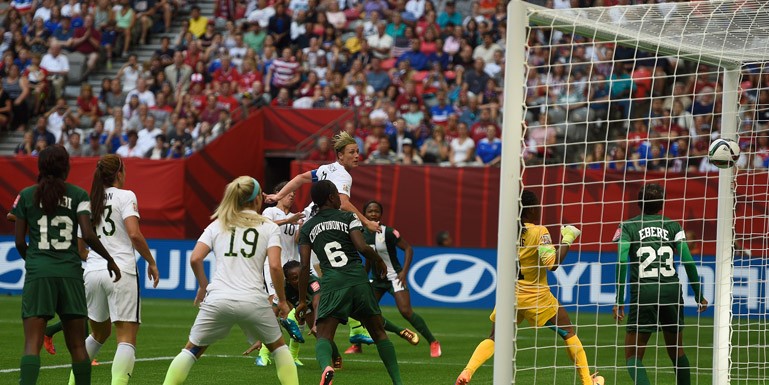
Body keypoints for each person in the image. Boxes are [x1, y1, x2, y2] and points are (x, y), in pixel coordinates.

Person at [455, 190, 603, 385]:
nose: (540, 209)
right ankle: (587, 382)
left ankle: (467, 371)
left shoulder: (508, 230)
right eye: (538, 206)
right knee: (568, 331)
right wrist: (567, 239)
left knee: (494, 337)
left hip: (511, 295)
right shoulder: (539, 231)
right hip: (536, 296)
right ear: (531, 209)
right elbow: (552, 263)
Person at [162, 176, 298, 385]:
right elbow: (275, 266)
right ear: (255, 201)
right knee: (279, 349)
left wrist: (203, 286)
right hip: (254, 300)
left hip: (218, 299)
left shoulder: (219, 224)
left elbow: (196, 258)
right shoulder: (268, 227)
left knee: (191, 350)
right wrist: (281, 300)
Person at [12, 145, 122, 385]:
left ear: (41, 166)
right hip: (70, 273)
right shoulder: (79, 195)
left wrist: (33, 261)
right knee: (77, 346)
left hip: (38, 272)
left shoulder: (26, 195)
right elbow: (88, 234)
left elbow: (20, 240)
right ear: (66, 167)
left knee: (32, 344)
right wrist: (110, 259)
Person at [264, 131, 380, 349]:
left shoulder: (327, 169)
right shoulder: (344, 175)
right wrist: (366, 222)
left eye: (357, 151)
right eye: (351, 152)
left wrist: (278, 197)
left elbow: (298, 179)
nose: (357, 156)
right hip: (322, 229)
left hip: (310, 225)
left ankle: (351, 328)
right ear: (340, 155)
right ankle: (299, 319)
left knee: (326, 280)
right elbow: (344, 203)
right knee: (333, 279)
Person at [297, 180, 403, 385]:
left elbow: (303, 267)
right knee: (379, 333)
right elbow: (362, 247)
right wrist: (379, 261)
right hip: (358, 280)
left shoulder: (308, 227)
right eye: (337, 195)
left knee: (324, 337)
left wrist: (302, 300)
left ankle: (327, 366)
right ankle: (398, 382)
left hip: (333, 283)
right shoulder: (348, 217)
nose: (341, 198)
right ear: (331, 198)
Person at [66, 155, 160, 385]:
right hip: (120, 271)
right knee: (126, 338)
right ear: (119, 173)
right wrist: (151, 261)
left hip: (93, 272)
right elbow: (134, 234)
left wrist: (96, 259)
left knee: (98, 335)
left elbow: (80, 249)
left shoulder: (88, 201)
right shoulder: (126, 196)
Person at [613, 183, 708, 385]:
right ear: (662, 204)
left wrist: (619, 300)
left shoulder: (628, 226)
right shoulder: (674, 226)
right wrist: (698, 294)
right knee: (676, 351)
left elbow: (622, 261)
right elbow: (688, 261)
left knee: (633, 356)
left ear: (639, 203)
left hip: (644, 293)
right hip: (671, 291)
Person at [362, 200, 440, 357]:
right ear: (364, 214)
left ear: (381, 214)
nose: (373, 214)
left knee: (405, 311)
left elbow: (408, 248)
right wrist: (364, 275)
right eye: (370, 211)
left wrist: (404, 272)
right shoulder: (361, 234)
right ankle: (358, 345)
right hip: (376, 281)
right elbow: (369, 258)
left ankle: (433, 341)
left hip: (394, 277)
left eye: (376, 211)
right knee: (363, 312)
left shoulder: (389, 232)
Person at [254, 181, 307, 367]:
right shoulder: (270, 212)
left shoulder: (295, 216)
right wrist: (289, 221)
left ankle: (293, 355)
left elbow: (298, 240)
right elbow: (266, 227)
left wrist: (300, 226)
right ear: (279, 193)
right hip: (274, 265)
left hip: (293, 268)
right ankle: (263, 353)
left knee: (301, 308)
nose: (292, 195)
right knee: (275, 306)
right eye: (288, 192)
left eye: (294, 193)